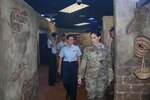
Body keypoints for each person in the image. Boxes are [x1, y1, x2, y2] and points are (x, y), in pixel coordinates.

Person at [78, 30, 114, 100]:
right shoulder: (87, 49)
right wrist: (80, 76)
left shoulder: (105, 50)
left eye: (94, 37)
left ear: (99, 37)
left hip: (102, 76)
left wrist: (110, 77)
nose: (92, 40)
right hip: (90, 77)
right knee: (91, 96)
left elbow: (109, 64)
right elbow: (83, 63)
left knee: (100, 96)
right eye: (91, 38)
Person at [58, 34, 82, 100]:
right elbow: (60, 58)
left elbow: (78, 57)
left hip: (74, 65)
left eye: (72, 39)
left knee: (73, 82)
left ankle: (73, 97)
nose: (71, 41)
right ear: (67, 40)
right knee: (65, 81)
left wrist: (79, 66)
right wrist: (59, 68)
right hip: (65, 65)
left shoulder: (76, 48)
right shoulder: (63, 48)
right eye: (70, 39)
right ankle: (68, 90)